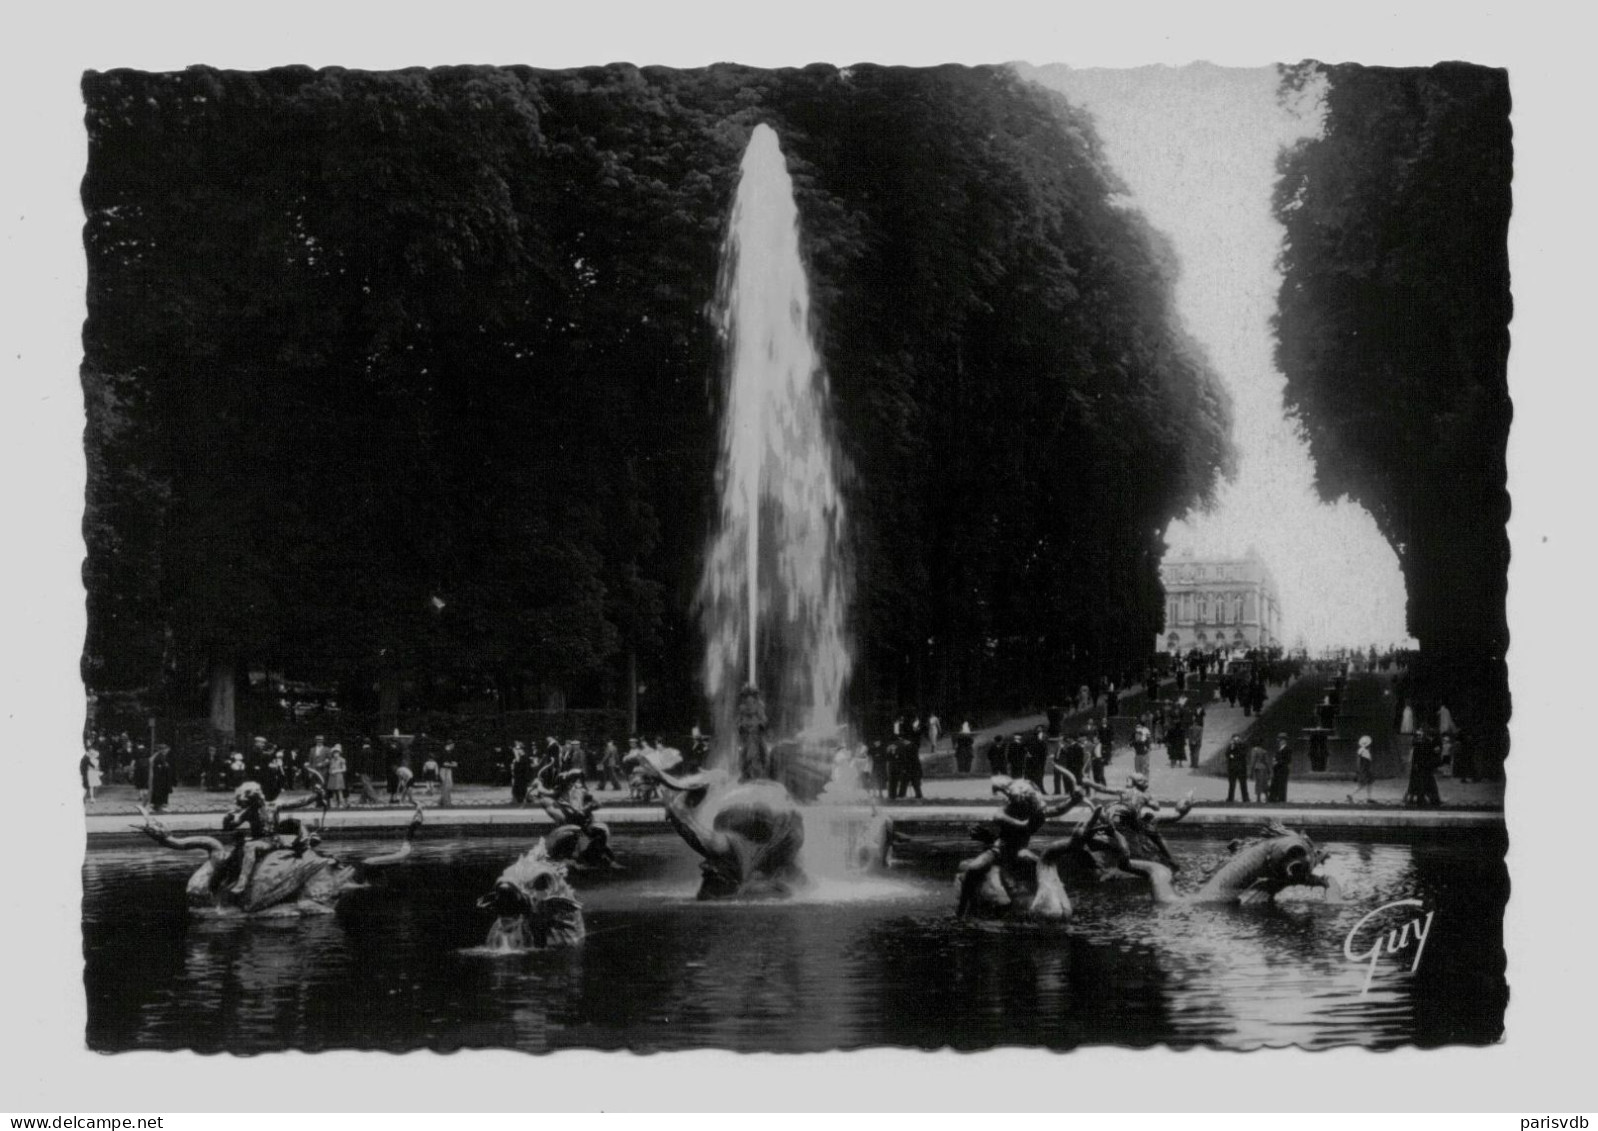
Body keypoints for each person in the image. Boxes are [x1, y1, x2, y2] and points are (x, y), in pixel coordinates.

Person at [1348, 735, 1376, 804]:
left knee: (1369, 783)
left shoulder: (1360, 751)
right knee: (1362, 785)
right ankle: (1351, 795)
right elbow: (1367, 763)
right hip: (1365, 771)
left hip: (1362, 770)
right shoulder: (1365, 752)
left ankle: (1369, 798)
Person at [1224, 734, 1250, 803]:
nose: (1235, 741)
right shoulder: (1230, 746)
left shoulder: (1243, 745)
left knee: (1243, 784)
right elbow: (1227, 754)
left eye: (1237, 740)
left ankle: (1245, 798)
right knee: (1232, 784)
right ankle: (1230, 798)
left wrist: (1234, 755)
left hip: (1241, 768)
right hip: (1232, 768)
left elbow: (1243, 754)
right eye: (1234, 740)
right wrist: (1231, 748)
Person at [149, 745, 175, 812]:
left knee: (159, 792)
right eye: (166, 749)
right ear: (163, 750)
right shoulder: (160, 757)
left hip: (160, 778)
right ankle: (160, 806)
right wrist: (166, 767)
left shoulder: (159, 756)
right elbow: (163, 767)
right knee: (161, 792)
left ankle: (157, 806)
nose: (167, 751)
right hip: (161, 779)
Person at [1268, 732, 1293, 803]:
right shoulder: (1279, 749)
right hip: (1277, 769)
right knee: (1275, 784)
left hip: (1283, 769)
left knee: (1282, 785)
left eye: (1280, 740)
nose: (1279, 741)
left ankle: (1281, 799)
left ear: (1284, 740)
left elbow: (1288, 760)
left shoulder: (1287, 749)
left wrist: (1277, 762)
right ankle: (1273, 798)